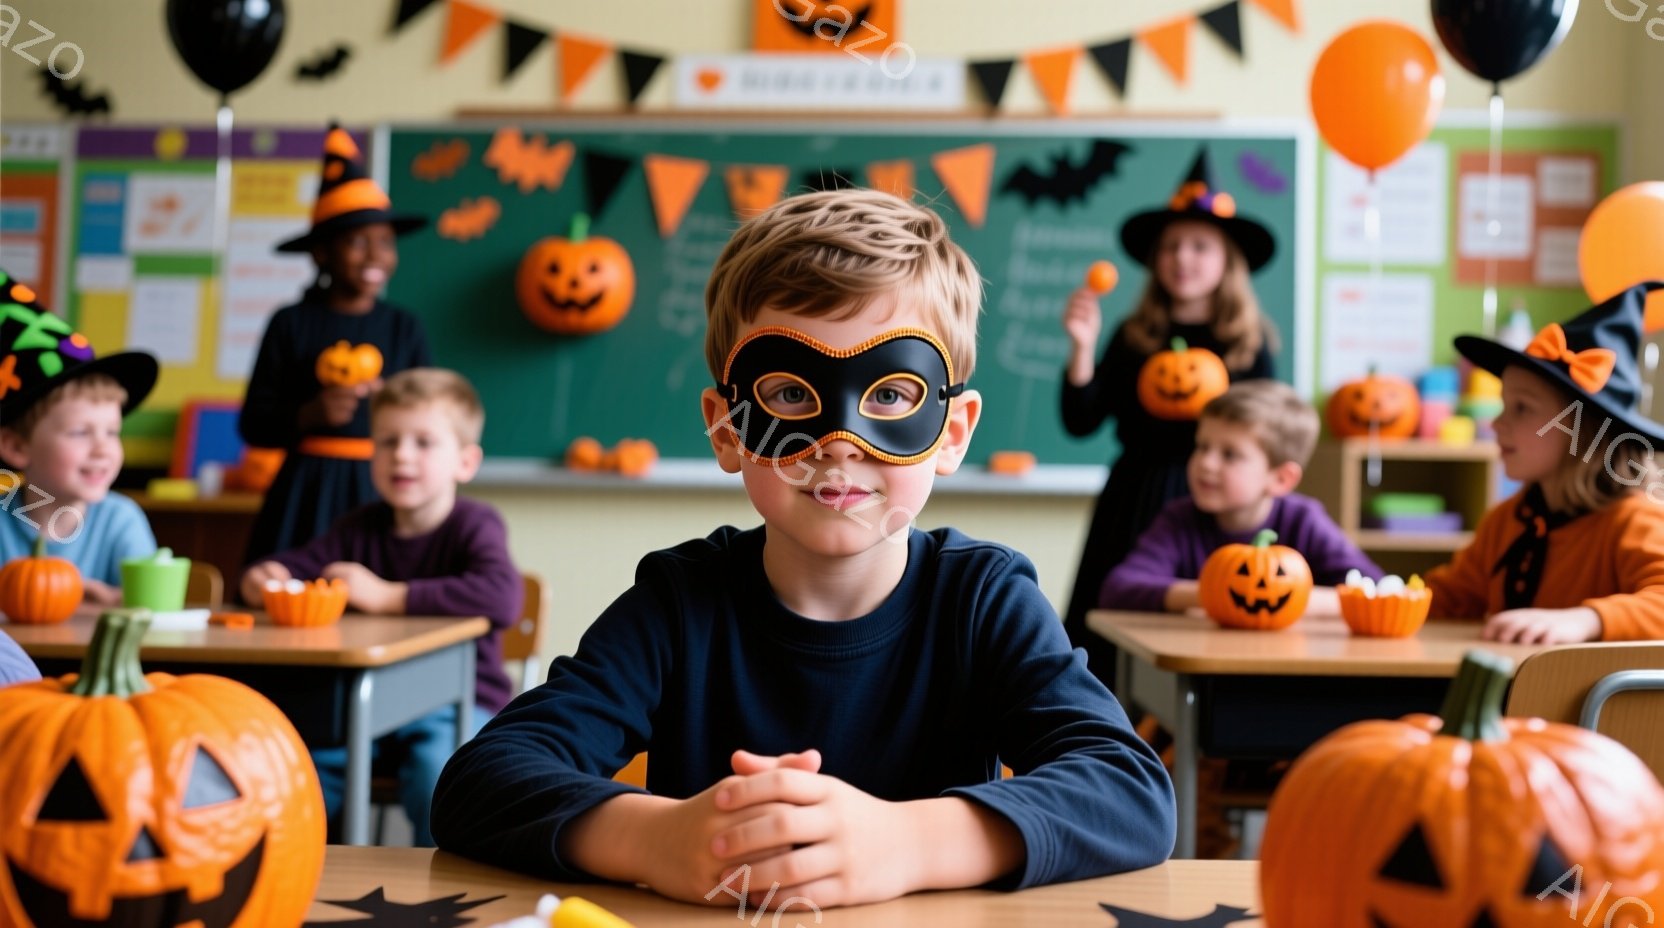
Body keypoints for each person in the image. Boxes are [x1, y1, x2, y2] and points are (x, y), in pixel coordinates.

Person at [432, 190, 1175, 907]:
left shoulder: (981, 601)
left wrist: (907, 843)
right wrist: (658, 840)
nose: (837, 443)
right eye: (790, 394)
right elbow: (480, 781)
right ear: (726, 428)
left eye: (889, 395)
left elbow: (1129, 790)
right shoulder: (678, 605)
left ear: (951, 432)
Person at [240, 368, 519, 846]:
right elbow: (294, 566)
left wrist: (389, 596)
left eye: (423, 442)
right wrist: (264, 578)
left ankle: (442, 896)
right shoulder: (358, 527)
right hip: (358, 706)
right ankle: (298, 881)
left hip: (455, 704)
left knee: (439, 774)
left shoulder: (474, 524)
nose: (402, 456)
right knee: (297, 771)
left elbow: (503, 595)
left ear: (465, 462)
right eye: (387, 442)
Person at [1059, 149, 1278, 684]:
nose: (1184, 257)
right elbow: (1081, 421)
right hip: (1134, 497)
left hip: (1217, 503)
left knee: (1211, 630)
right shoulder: (1134, 336)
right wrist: (1082, 348)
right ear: (1156, 259)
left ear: (1227, 260)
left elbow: (1267, 433)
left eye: (1200, 246)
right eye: (1172, 246)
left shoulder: (1249, 345)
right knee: (1111, 636)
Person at [1427, 282, 1664, 644]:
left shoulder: (1635, 520)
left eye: (1522, 408)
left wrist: (1588, 620)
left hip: (1591, 702)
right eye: (1504, 404)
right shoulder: (1505, 522)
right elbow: (1447, 598)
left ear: (1582, 431)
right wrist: (1346, 600)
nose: (1496, 423)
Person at [239, 124, 431, 569]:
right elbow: (253, 423)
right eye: (357, 242)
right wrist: (311, 414)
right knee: (287, 591)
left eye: (385, 242)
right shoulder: (290, 322)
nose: (375, 256)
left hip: (382, 486)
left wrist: (392, 404)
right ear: (322, 253)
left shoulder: (405, 327)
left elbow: (431, 413)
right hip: (304, 493)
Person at [1102, 380, 1382, 614]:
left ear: (1281, 478)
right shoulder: (1180, 520)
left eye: (1230, 455)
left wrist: (1282, 595)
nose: (1206, 463)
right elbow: (1119, 589)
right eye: (1202, 447)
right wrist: (1214, 594)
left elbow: (1375, 591)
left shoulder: (1303, 519)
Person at [0, 271, 158, 604]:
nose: (103, 448)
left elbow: (148, 608)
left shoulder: (120, 520)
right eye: (80, 432)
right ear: (16, 447)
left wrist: (110, 600)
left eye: (112, 432)